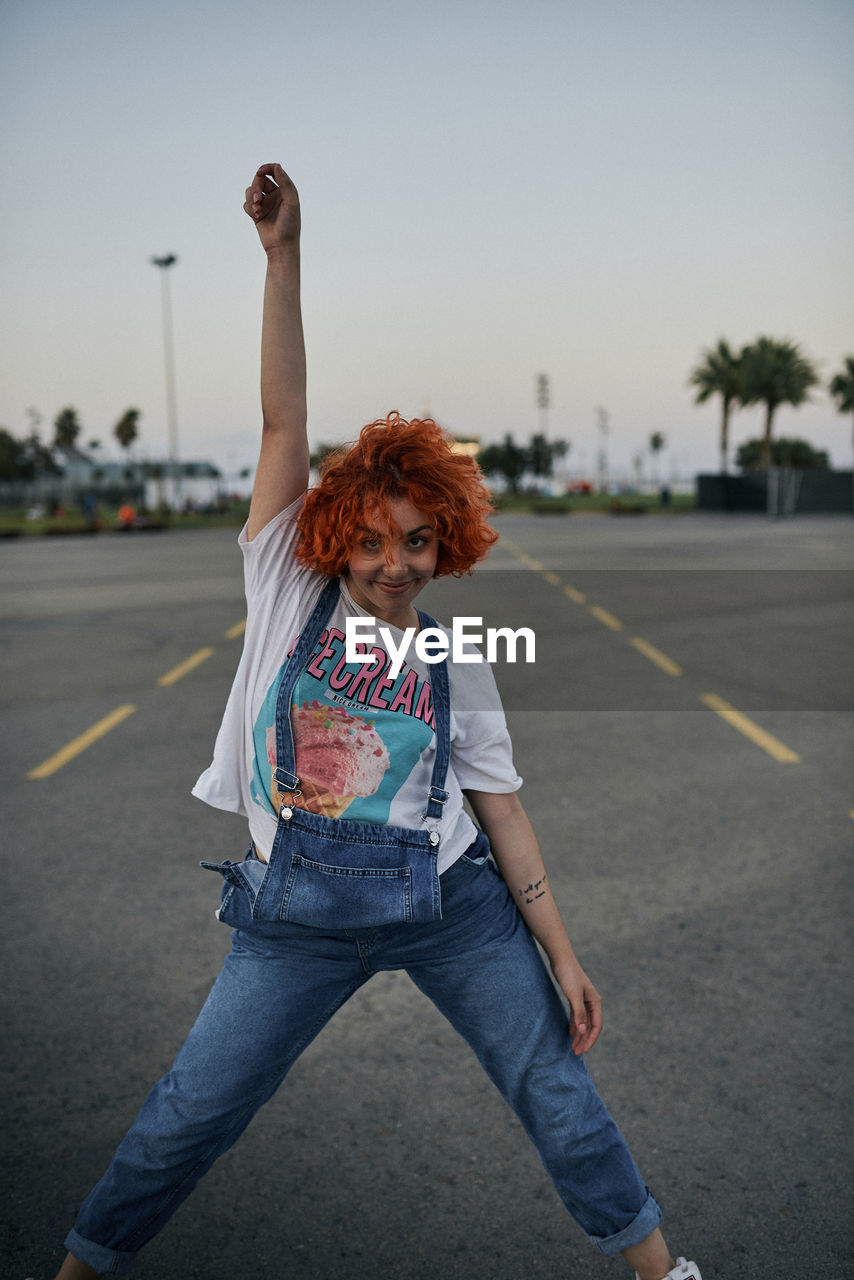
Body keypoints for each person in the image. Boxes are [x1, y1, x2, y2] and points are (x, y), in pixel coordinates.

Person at [52, 164, 702, 1280]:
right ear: (333, 535)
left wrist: (559, 949)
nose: (391, 565)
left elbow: (501, 810)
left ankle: (663, 1271)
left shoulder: (457, 659)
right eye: (371, 540)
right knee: (189, 1111)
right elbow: (281, 418)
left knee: (555, 1090)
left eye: (415, 543)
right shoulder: (279, 583)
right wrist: (282, 257)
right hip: (294, 911)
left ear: (443, 542)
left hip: (446, 904)